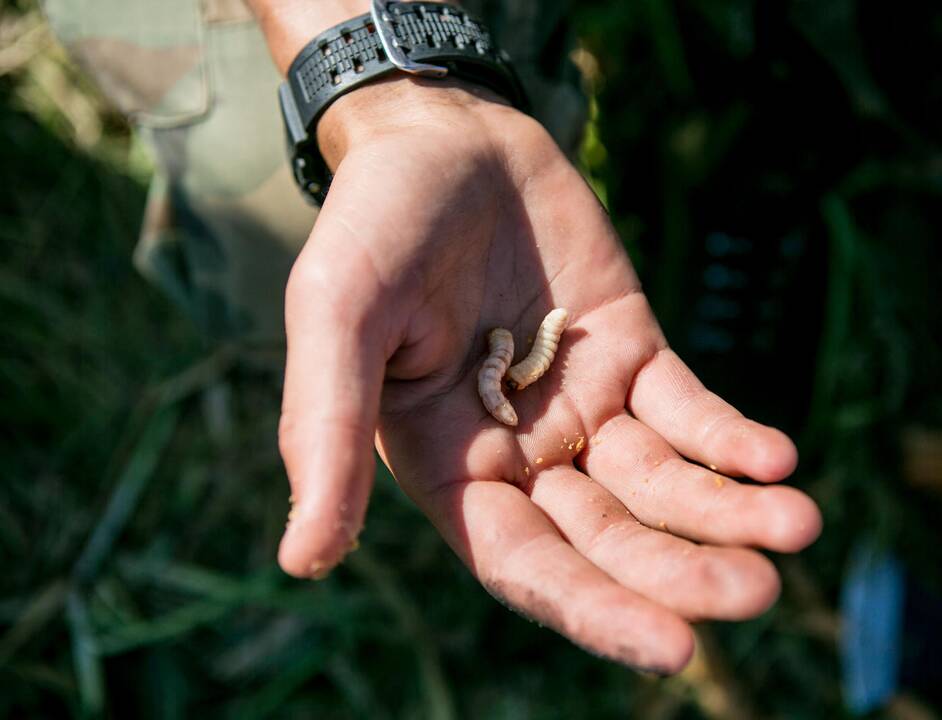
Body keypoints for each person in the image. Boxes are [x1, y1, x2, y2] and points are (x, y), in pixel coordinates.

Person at [45, 0, 821, 673]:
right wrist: (378, 91)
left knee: (534, 83)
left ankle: (727, 97)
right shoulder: (510, 361)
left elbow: (520, 360)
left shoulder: (518, 359)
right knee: (267, 247)